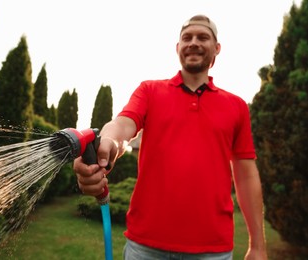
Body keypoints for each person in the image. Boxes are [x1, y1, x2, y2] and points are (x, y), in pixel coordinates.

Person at [73, 14, 267, 260]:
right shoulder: (150, 91)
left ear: (217, 49)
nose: (194, 42)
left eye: (203, 37)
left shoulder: (236, 106)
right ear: (178, 48)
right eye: (187, 37)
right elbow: (123, 126)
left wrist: (258, 246)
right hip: (145, 248)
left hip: (212, 251)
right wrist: (109, 143)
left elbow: (246, 174)